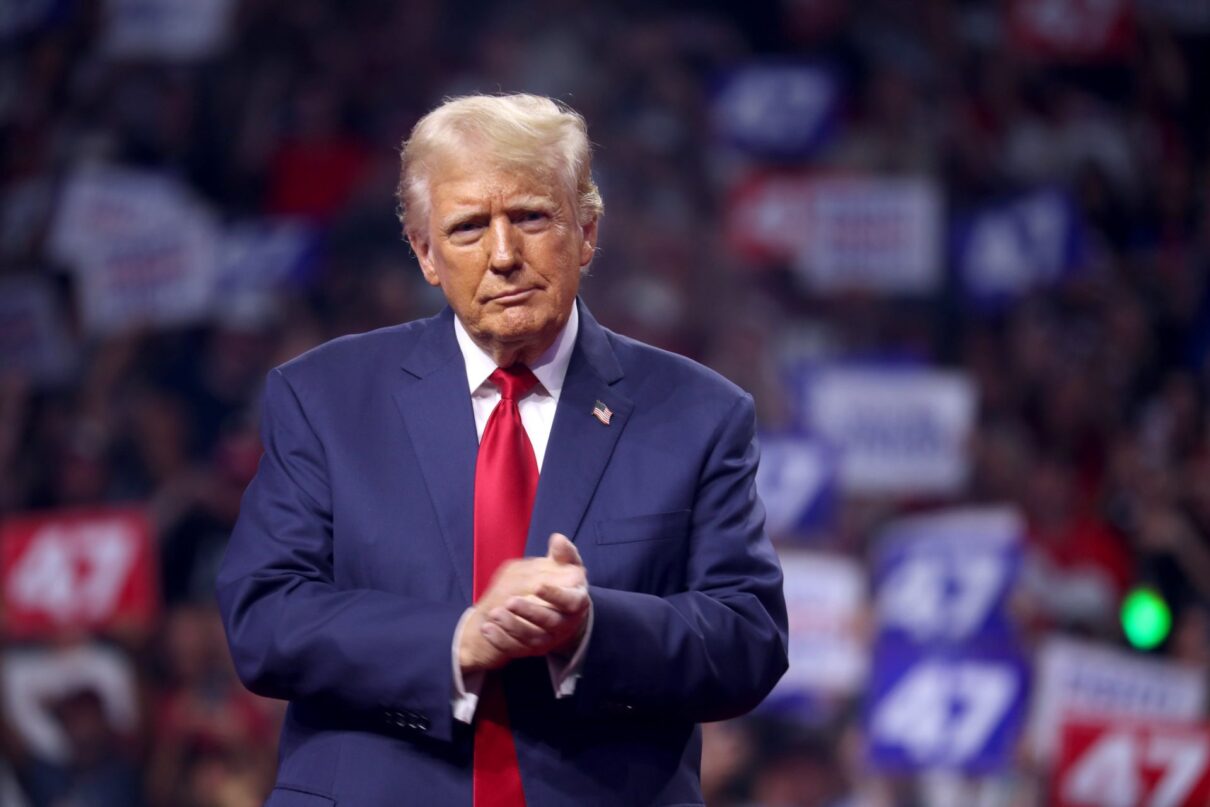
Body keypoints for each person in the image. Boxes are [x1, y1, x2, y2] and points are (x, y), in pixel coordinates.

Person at [216, 93, 788, 807]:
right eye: (466, 228)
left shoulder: (701, 413)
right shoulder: (325, 397)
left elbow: (748, 633)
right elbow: (266, 615)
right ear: (425, 253)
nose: (504, 255)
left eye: (530, 217)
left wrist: (592, 627)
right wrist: (456, 640)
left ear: (586, 230)